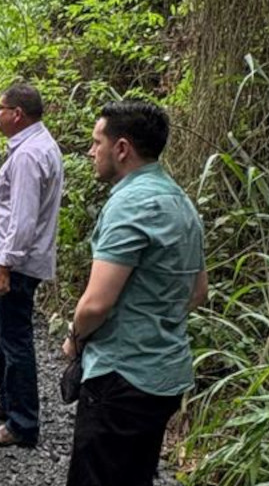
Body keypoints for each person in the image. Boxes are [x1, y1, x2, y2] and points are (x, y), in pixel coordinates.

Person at [61, 101, 208, 486]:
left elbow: (96, 303)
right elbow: (198, 292)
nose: (91, 152)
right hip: (164, 374)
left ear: (122, 148)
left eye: (97, 143)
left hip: (120, 376)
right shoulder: (181, 201)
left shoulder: (129, 204)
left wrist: (75, 338)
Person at [0, 83, 64, 448]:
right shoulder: (40, 146)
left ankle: (22, 424)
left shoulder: (28, 155)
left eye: (0, 108)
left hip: (18, 265)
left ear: (18, 115)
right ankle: (9, 403)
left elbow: (23, 219)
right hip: (22, 261)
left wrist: (4, 267)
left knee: (15, 340)